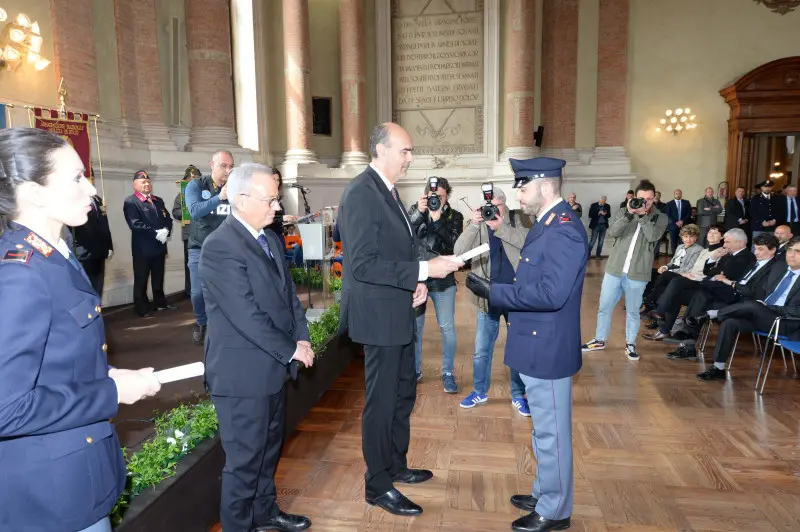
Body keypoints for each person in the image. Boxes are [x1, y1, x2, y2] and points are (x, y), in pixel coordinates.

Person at [0, 127, 161, 532]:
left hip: (77, 473)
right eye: (75, 177)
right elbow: (6, 407)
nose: (90, 188)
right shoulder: (21, 274)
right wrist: (110, 392)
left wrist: (105, 375)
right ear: (35, 193)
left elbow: (52, 359)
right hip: (50, 496)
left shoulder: (55, 253)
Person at [337, 122, 462, 516]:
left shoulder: (388, 192)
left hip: (399, 306)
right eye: (405, 151)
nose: (410, 159)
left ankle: (395, 464)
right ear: (380, 150)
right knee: (381, 399)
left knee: (403, 391)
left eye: (410, 152)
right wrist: (424, 272)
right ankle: (377, 484)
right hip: (378, 315)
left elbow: (398, 252)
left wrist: (415, 284)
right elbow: (362, 264)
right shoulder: (361, 193)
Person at [464, 156, 587, 532]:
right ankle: (544, 491)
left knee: (553, 433)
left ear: (545, 184)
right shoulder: (547, 223)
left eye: (523, 185)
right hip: (536, 341)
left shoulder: (563, 228)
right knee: (542, 430)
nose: (519, 192)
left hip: (547, 346)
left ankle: (556, 510)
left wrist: (495, 292)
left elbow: (551, 293)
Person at [199, 163, 313, 532]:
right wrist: (290, 350)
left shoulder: (268, 238)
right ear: (242, 198)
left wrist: (302, 337)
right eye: (271, 200)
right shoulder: (220, 247)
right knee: (244, 463)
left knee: (267, 453)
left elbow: (288, 298)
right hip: (241, 378)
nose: (277, 207)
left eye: (277, 199)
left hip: (271, 371)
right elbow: (245, 315)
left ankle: (265, 514)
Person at [454, 185, 532, 416]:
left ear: (504, 204)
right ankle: (480, 390)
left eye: (496, 207)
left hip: (515, 295)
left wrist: (501, 227)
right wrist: (474, 224)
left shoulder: (518, 218)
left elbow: (530, 243)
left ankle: (518, 395)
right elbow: (459, 250)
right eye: (488, 207)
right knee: (481, 350)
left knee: (517, 348)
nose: (492, 212)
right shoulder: (478, 226)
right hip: (487, 297)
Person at [581, 179, 669, 361]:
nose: (645, 202)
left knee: (633, 311)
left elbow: (653, 236)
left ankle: (630, 344)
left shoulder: (660, 217)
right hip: (615, 268)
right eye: (642, 198)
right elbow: (613, 232)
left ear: (655, 199)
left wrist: (643, 216)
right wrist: (629, 214)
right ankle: (599, 339)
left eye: (650, 199)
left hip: (638, 272)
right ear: (634, 197)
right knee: (604, 306)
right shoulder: (624, 211)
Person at [407, 177, 464, 390]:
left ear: (446, 196)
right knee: (415, 328)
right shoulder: (415, 211)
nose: (435, 201)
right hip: (418, 277)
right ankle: (415, 371)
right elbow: (404, 237)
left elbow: (454, 244)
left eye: (439, 197)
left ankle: (448, 373)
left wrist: (437, 219)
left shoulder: (455, 216)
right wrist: (418, 214)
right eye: (432, 197)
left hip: (443, 280)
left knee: (447, 327)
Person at [185, 151, 233, 344]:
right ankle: (201, 321)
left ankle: (225, 324)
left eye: (231, 166)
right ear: (212, 165)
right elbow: (195, 211)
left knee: (228, 290)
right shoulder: (196, 185)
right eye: (224, 166)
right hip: (199, 248)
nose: (228, 171)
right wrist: (219, 197)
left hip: (227, 250)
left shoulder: (236, 187)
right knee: (198, 292)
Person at [123, 170, 176, 317]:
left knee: (159, 277)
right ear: (135, 185)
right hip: (143, 249)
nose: (146, 184)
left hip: (159, 246)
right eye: (143, 182)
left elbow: (168, 219)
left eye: (148, 181)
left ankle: (160, 303)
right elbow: (135, 224)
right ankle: (142, 308)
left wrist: (166, 230)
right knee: (141, 279)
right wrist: (156, 233)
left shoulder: (158, 200)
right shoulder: (131, 202)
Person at [70, 167, 114, 296]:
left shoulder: (97, 200)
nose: (90, 180)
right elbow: (77, 228)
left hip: (100, 252)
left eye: (91, 177)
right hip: (84, 252)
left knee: (98, 287)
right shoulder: (75, 200)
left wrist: (109, 246)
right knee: (86, 290)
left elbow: (104, 225)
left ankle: (98, 314)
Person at [173, 165, 201, 298]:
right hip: (189, 234)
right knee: (190, 265)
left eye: (196, 179)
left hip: (204, 233)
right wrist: (187, 212)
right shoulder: (181, 196)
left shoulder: (205, 194)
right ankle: (190, 292)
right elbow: (175, 212)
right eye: (190, 179)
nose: (193, 181)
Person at [666, 189, 692, 254]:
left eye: (679, 193)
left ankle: (682, 256)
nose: (678, 195)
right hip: (673, 226)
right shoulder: (669, 203)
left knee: (683, 242)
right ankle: (674, 257)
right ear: (674, 194)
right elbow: (668, 215)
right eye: (676, 193)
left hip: (684, 226)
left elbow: (689, 214)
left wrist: (682, 221)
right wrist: (676, 222)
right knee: (674, 242)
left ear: (681, 194)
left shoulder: (686, 202)